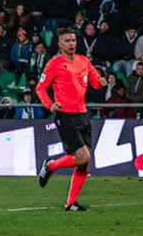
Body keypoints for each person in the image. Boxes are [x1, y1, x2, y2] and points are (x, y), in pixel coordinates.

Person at [34, 24, 105, 212]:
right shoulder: (53, 64)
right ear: (59, 44)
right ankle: (51, 165)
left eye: (73, 40)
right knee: (83, 157)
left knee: (84, 162)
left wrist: (101, 82)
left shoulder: (84, 61)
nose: (72, 44)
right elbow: (40, 88)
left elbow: (95, 83)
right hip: (65, 115)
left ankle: (70, 203)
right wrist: (50, 104)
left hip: (83, 115)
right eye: (67, 41)